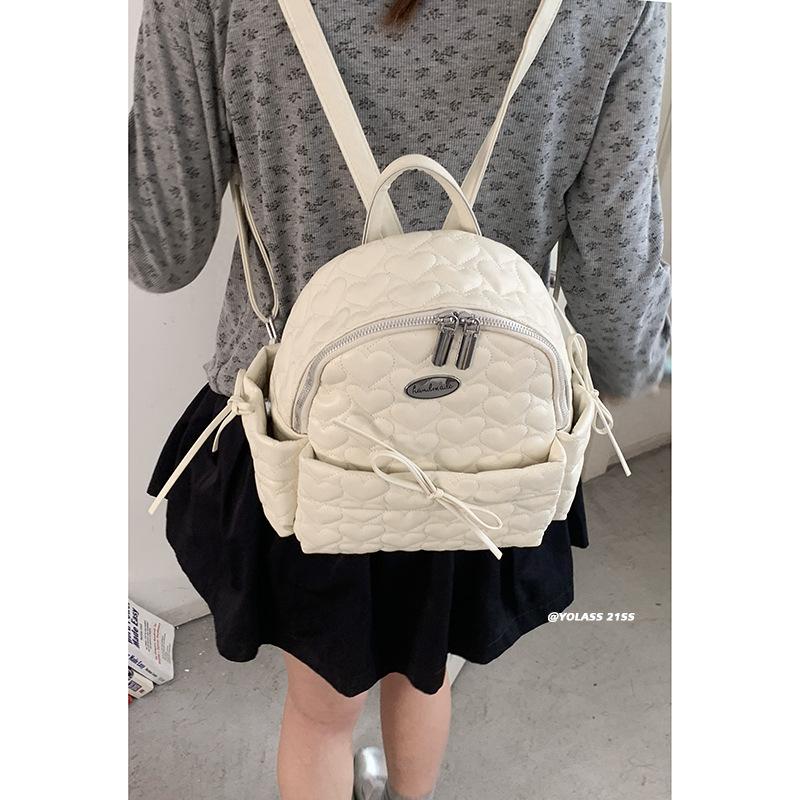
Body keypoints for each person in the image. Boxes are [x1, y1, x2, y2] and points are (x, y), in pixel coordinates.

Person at [129, 1, 671, 798]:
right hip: (490, 432)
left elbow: (160, 251)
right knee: (428, 672)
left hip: (297, 427)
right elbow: (616, 292)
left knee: (321, 709)